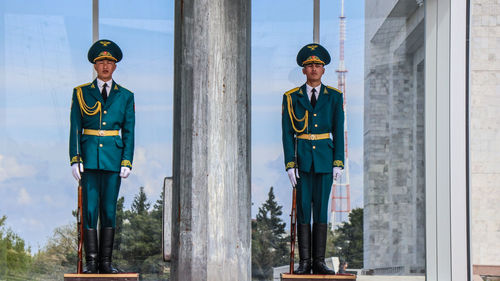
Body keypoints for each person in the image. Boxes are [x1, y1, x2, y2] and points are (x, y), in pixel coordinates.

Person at [69, 39, 135, 274]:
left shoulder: (126, 96)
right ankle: (91, 263)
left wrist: (127, 160)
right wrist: (75, 158)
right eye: (101, 62)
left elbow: (128, 130)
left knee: (108, 209)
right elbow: (75, 127)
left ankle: (105, 263)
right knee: (89, 210)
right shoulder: (80, 93)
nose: (105, 65)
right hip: (88, 158)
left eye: (109, 61)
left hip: (113, 160)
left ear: (115, 66)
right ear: (95, 66)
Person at [282, 43, 344, 275]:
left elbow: (339, 129)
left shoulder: (335, 97)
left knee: (321, 211)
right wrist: (290, 164)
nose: (314, 69)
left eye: (318, 65)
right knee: (303, 210)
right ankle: (304, 262)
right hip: (302, 161)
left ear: (324, 70)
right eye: (310, 65)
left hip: (325, 160)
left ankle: (319, 261)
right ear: (303, 70)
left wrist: (338, 161)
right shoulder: (291, 97)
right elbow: (287, 132)